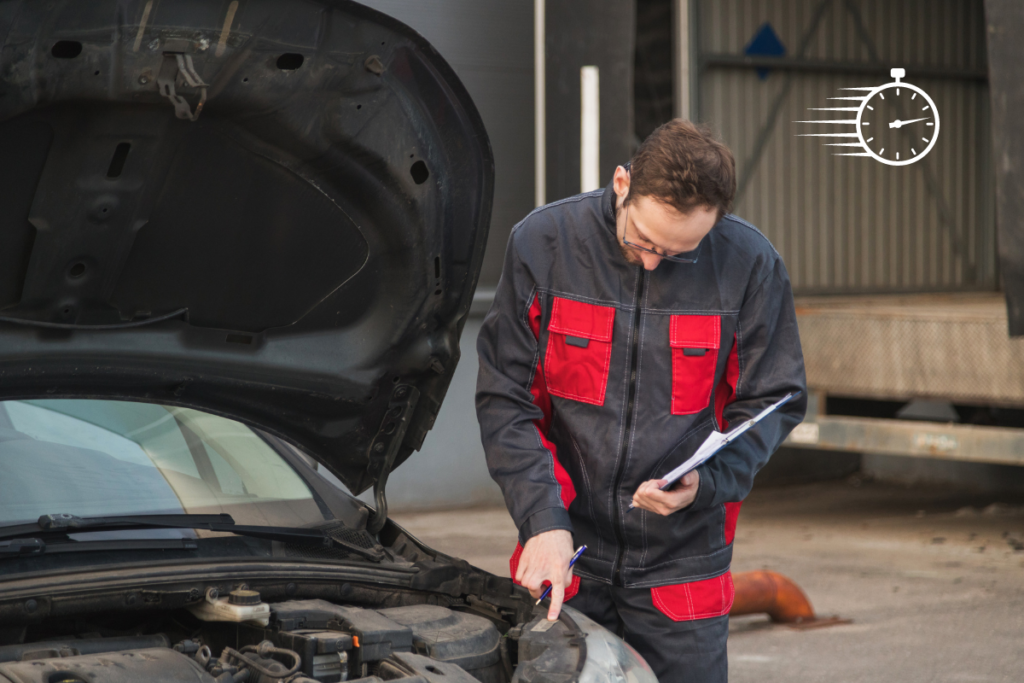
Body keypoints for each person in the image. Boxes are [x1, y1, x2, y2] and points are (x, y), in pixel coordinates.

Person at [475, 119, 806, 682]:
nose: (655, 261)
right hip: (568, 552)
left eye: (680, 252)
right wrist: (542, 520)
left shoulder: (749, 264)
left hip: (684, 565)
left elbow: (774, 401)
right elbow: (507, 398)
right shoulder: (544, 244)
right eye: (644, 242)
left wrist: (708, 482)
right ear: (622, 183)